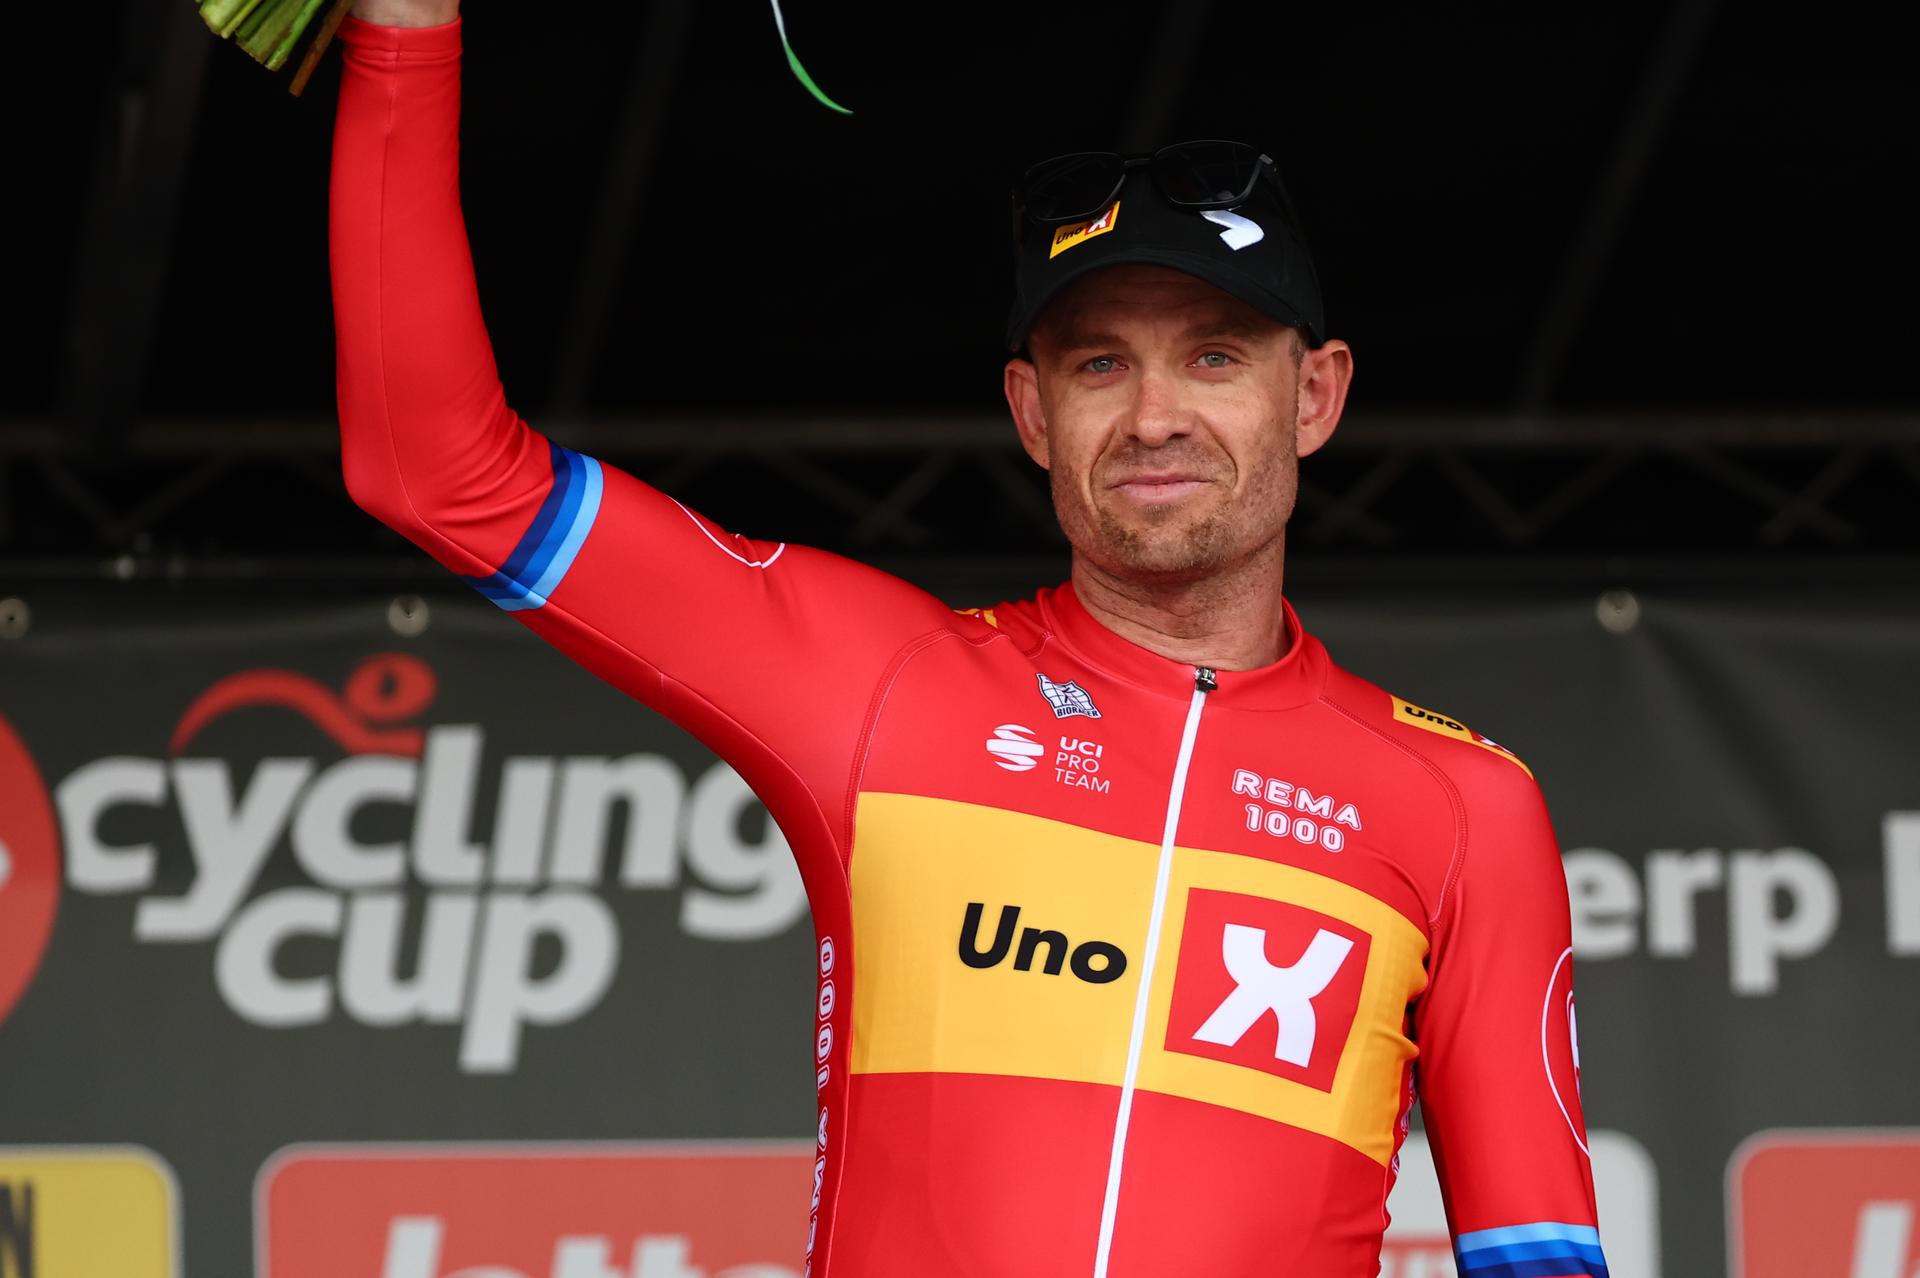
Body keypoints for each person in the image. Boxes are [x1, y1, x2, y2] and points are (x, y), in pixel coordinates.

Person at [332, 4, 1610, 1276]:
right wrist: (406, 34)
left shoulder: (1461, 806)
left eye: (1214, 357)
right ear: (1031, 411)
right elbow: (438, 473)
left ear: (1316, 395)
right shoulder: (883, 687)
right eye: (1099, 366)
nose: (1155, 416)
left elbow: (1541, 1259)